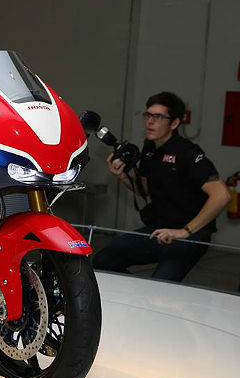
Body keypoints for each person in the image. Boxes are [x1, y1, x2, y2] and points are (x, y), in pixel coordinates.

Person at [93, 91, 231, 281]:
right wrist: (123, 176)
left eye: (158, 117)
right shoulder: (150, 148)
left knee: (160, 286)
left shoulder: (187, 152)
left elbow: (222, 195)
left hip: (190, 235)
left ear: (174, 123)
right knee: (102, 261)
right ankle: (140, 295)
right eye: (148, 115)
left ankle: (153, 296)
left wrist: (184, 232)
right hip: (159, 230)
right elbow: (144, 190)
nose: (150, 122)